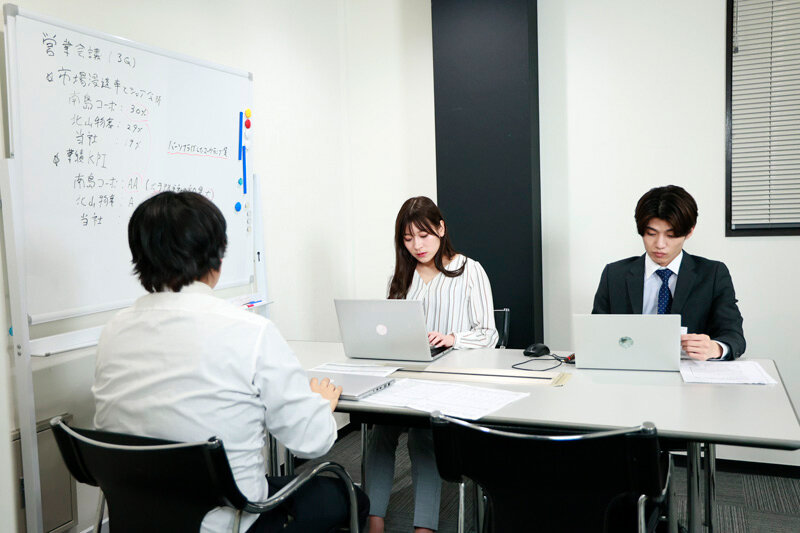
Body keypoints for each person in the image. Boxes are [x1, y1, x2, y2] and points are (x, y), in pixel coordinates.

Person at [92, 191, 369, 533]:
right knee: (350, 495)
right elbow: (311, 441)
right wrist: (321, 405)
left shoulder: (113, 331)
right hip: (230, 521)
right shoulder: (249, 332)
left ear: (139, 258)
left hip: (136, 519)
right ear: (217, 258)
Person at [366, 196, 498, 533]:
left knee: (423, 436)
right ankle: (373, 520)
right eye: (408, 239)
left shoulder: (469, 270)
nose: (417, 246)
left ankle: (424, 527)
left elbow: (489, 334)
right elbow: (390, 329)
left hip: (450, 381)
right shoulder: (402, 276)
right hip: (407, 378)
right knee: (380, 432)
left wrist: (452, 338)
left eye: (423, 235)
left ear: (441, 229)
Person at [592, 185, 745, 360]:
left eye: (671, 235)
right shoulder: (614, 274)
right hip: (630, 367)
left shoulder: (712, 274)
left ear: (690, 231)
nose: (660, 244)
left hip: (689, 371)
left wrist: (715, 348)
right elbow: (596, 333)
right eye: (651, 234)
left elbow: (734, 336)